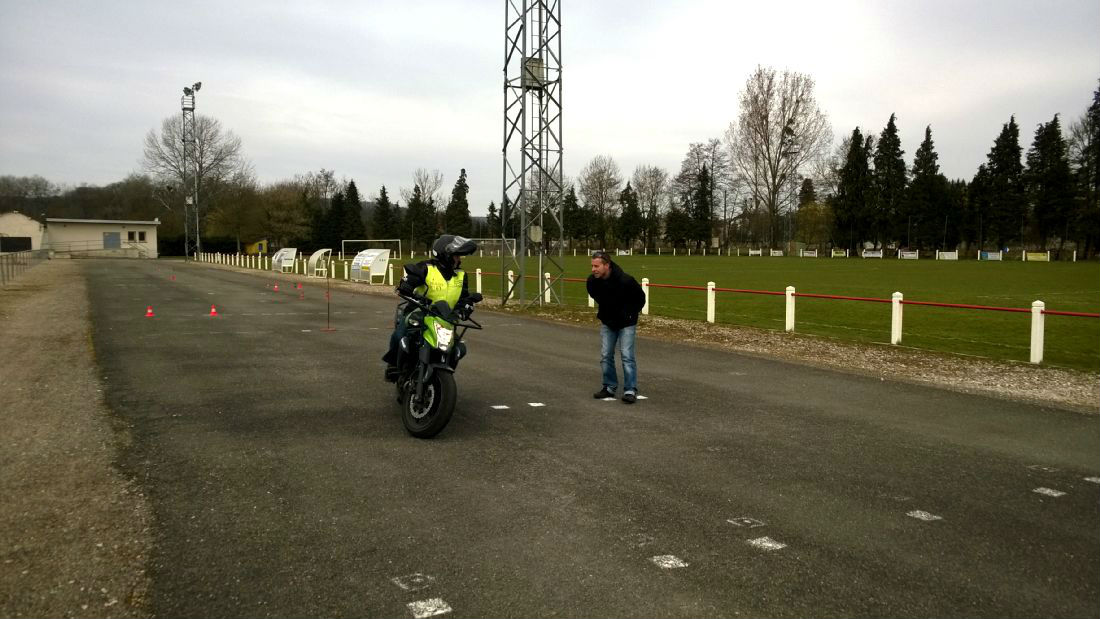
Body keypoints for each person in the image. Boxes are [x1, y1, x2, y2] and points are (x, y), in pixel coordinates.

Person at [382, 235, 480, 381]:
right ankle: (393, 365)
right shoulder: (426, 268)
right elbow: (410, 281)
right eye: (457, 256)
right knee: (400, 333)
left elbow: (463, 297)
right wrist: (407, 286)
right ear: (445, 255)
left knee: (458, 348)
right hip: (420, 312)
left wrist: (465, 306)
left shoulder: (461, 275)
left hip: (444, 317)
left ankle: (443, 372)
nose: (459, 259)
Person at [586, 250, 646, 404]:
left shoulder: (626, 281)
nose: (593, 269)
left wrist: (629, 314)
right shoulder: (592, 282)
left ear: (607, 265)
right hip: (608, 322)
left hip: (627, 323)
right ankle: (609, 386)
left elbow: (640, 298)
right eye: (592, 266)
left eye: (597, 266)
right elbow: (595, 295)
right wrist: (607, 312)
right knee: (606, 355)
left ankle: (630, 389)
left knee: (627, 355)